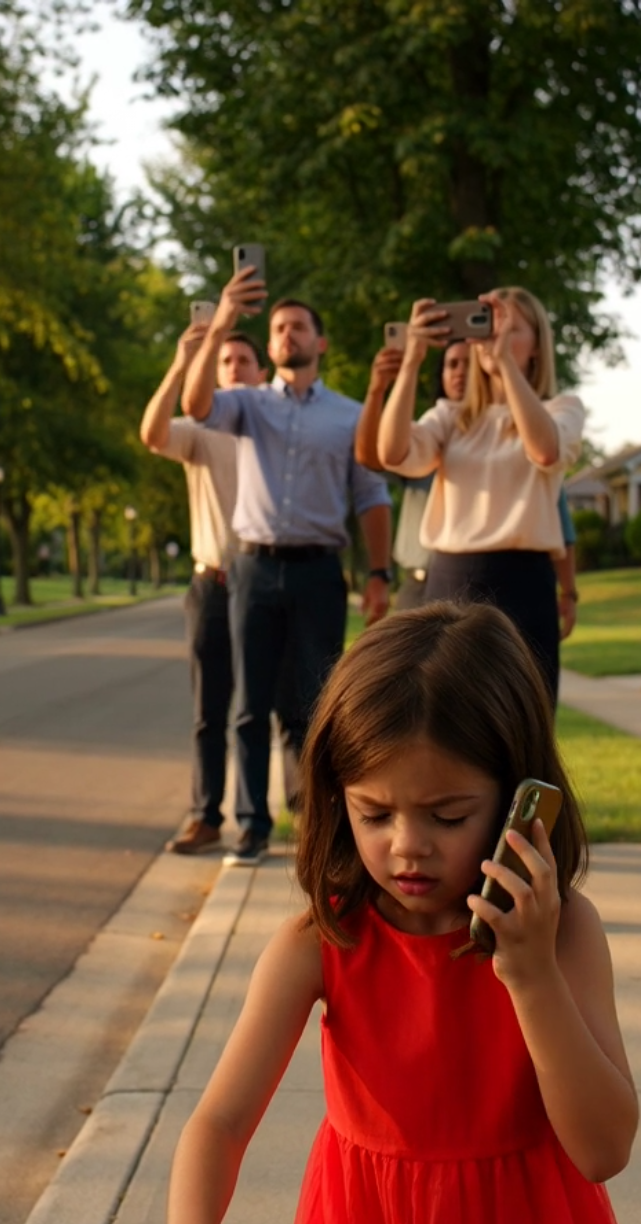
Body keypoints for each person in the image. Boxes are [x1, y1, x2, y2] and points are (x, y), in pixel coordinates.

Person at [102, 602, 641, 1224]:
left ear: (520, 802)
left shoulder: (563, 935)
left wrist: (529, 975)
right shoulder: (323, 940)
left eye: (448, 816)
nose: (408, 846)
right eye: (375, 813)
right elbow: (219, 1121)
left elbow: (602, 1149)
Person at [182, 266, 393, 866]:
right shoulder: (246, 405)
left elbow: (371, 495)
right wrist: (224, 318)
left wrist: (379, 574)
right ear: (270, 345)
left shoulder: (350, 415)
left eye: (297, 326)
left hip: (319, 572)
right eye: (277, 328)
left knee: (317, 705)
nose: (286, 335)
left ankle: (316, 828)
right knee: (249, 705)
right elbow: (195, 405)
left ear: (319, 342)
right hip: (252, 570)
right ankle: (251, 827)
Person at [376, 288, 585, 703]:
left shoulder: (562, 409)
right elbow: (392, 453)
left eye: (511, 328)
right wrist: (412, 362)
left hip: (524, 582)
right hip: (452, 580)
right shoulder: (451, 417)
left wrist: (504, 364)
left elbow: (544, 450)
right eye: (489, 326)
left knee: (521, 717)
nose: (496, 336)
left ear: (537, 345)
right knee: (447, 717)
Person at [141, 323, 298, 854]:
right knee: (211, 711)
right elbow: (152, 434)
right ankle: (206, 816)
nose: (231, 368)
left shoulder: (275, 427)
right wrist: (181, 364)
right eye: (223, 361)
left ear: (261, 371)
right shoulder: (199, 431)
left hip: (270, 581)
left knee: (283, 705)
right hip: (214, 584)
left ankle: (297, 815)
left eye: (241, 360)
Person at [355, 340, 470, 610]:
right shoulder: (429, 433)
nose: (460, 372)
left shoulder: (509, 436)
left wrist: (566, 590)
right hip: (419, 586)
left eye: (470, 364)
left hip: (479, 584)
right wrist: (377, 390)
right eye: (452, 364)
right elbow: (372, 456)